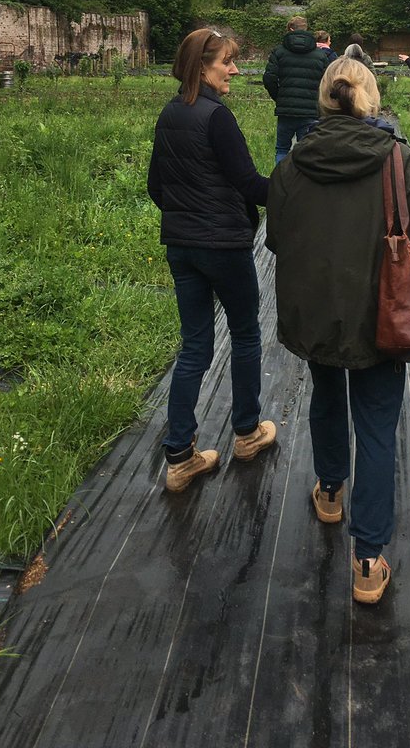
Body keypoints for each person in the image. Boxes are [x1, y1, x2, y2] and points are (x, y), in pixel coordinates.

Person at [266, 58, 410, 603]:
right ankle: (367, 558)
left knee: (325, 395)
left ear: (322, 98)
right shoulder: (396, 158)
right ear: (371, 97)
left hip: (317, 310)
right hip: (380, 313)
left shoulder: (294, 163)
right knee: (378, 424)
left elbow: (275, 238)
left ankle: (329, 491)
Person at [148, 28, 276, 493]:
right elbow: (250, 184)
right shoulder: (217, 117)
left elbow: (156, 187)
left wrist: (187, 218)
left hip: (181, 248)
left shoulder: (170, 113)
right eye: (227, 62)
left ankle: (180, 457)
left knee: (195, 346)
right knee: (245, 334)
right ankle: (247, 433)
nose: (235, 70)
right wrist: (297, 187)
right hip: (224, 247)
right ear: (201, 67)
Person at [263, 16, 329, 163]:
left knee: (282, 149)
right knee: (307, 152)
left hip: (286, 110)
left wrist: (279, 97)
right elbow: (327, 82)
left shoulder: (279, 52)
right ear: (306, 29)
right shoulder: (320, 55)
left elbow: (269, 78)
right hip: (310, 110)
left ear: (290, 29)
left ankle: (280, 177)